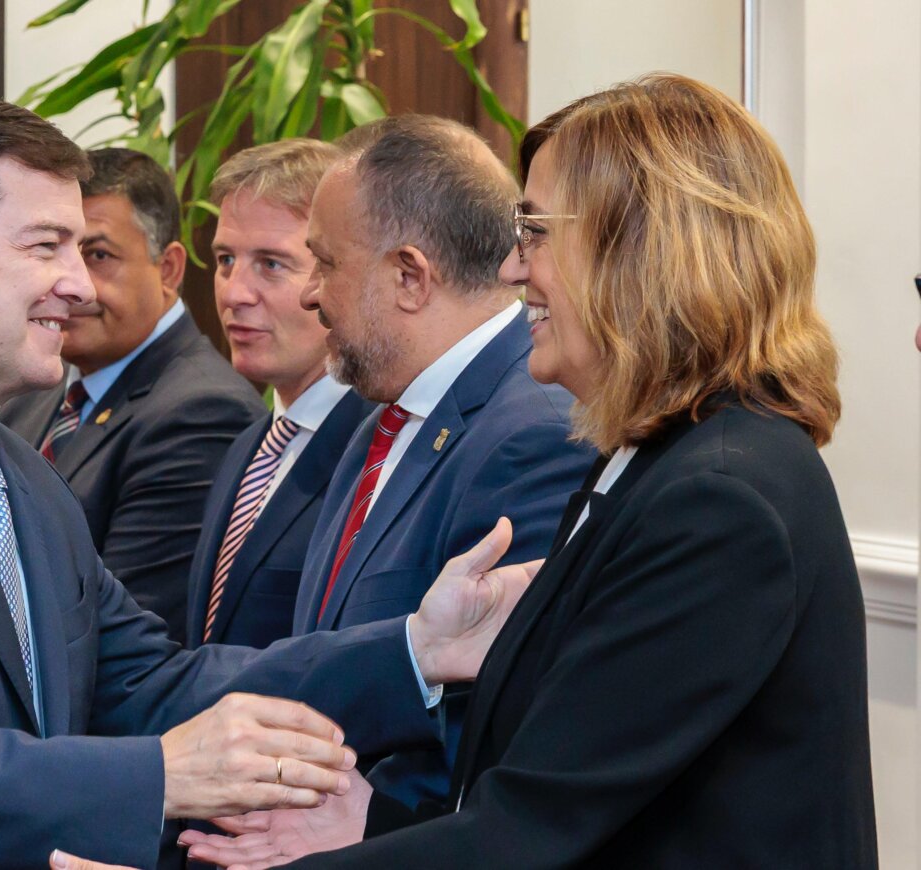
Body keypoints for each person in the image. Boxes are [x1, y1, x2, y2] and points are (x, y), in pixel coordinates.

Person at [0, 91, 539, 870]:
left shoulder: (18, 482)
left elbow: (155, 688)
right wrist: (162, 775)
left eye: (82, 250)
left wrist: (414, 654)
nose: (77, 285)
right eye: (45, 246)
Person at [181, 74, 878, 869]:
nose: (514, 269)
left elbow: (531, 834)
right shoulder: (662, 457)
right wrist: (371, 825)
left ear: (638, 249)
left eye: (537, 231)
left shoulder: (717, 496)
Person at [291, 116, 595, 808]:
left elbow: (489, 747)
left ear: (409, 277)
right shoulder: (382, 414)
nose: (310, 292)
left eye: (326, 262)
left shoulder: (535, 434)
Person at [0, 148, 264, 642]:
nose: (72, 284)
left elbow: (123, 636)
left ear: (168, 269)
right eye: (54, 251)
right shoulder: (30, 395)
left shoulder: (202, 413)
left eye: (98, 256)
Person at [185, 139, 376, 650]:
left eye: (271, 264)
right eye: (226, 259)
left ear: (334, 270)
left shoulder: (380, 450)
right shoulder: (251, 443)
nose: (233, 292)